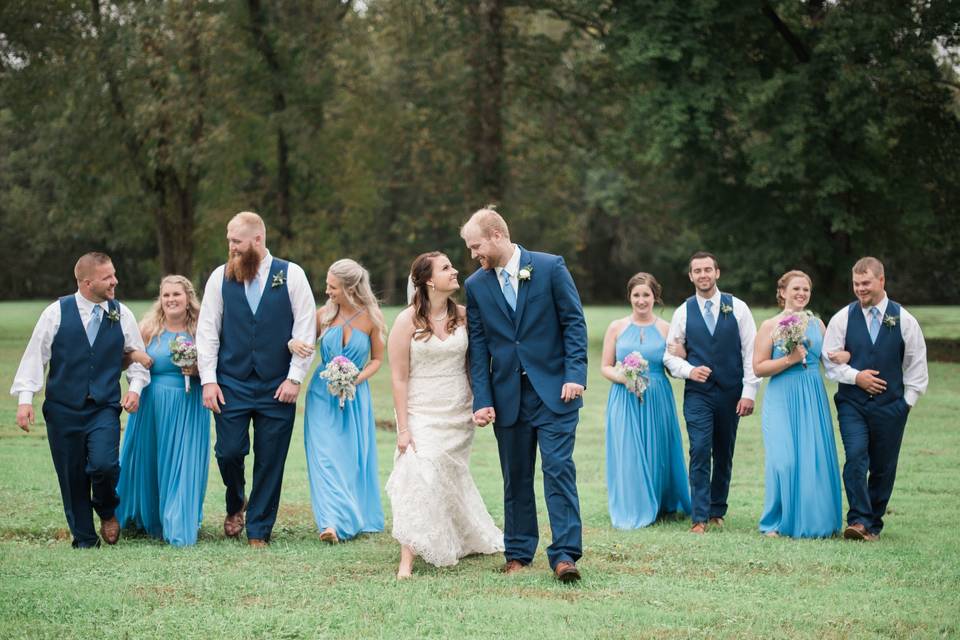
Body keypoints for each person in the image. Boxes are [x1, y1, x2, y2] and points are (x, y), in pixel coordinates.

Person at [461, 207, 588, 582]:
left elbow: (574, 323)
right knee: (515, 476)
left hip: (556, 393)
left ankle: (565, 555)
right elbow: (479, 347)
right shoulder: (476, 285)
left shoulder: (550, 267)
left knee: (558, 470)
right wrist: (482, 398)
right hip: (508, 397)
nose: (473, 255)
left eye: (476, 245)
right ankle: (518, 552)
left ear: (497, 234)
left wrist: (575, 375)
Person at [11, 252, 150, 548]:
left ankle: (107, 508)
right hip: (62, 410)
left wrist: (135, 389)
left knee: (104, 466)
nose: (115, 281)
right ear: (87, 283)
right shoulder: (55, 313)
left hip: (103, 408)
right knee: (71, 475)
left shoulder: (121, 313)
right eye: (107, 277)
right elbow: (37, 357)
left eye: (114, 274)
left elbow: (136, 356)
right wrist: (25, 400)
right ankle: (85, 539)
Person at [196, 211, 316, 547]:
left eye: (236, 241)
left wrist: (294, 378)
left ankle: (259, 530)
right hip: (231, 382)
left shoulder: (291, 275)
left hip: (278, 385)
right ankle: (236, 502)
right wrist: (209, 380)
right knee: (228, 452)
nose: (231, 247)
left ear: (257, 240)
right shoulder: (219, 277)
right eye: (229, 241)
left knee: (270, 458)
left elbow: (305, 327)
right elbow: (207, 331)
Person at [385, 252, 504, 578]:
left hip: (457, 410)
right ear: (427, 280)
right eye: (446, 268)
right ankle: (407, 559)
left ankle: (455, 533)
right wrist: (403, 428)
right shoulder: (405, 321)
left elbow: (477, 364)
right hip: (421, 410)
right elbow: (399, 377)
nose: (455, 272)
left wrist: (481, 402)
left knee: (447, 479)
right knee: (419, 473)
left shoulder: (465, 316)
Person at [823, 257, 928, 541]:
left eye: (866, 283)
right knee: (856, 456)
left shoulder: (904, 319)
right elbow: (829, 360)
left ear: (881, 281)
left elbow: (916, 366)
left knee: (883, 466)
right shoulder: (842, 318)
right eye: (856, 284)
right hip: (852, 404)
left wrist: (905, 404)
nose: (860, 289)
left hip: (891, 407)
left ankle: (874, 524)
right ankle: (858, 520)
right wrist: (856, 376)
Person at [289, 259, 386, 543]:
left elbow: (378, 359)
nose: (327, 291)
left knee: (350, 459)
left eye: (332, 286)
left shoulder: (372, 317)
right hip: (322, 397)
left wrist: (356, 379)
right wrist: (293, 343)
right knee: (325, 457)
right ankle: (331, 523)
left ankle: (352, 514)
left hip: (356, 396)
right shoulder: (323, 316)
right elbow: (300, 344)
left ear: (350, 287)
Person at [663, 251, 760, 534]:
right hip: (698, 394)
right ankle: (699, 516)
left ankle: (718, 509)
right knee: (700, 448)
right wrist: (689, 370)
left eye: (708, 269)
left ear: (717, 273)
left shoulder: (738, 308)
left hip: (731, 392)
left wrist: (749, 392)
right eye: (697, 271)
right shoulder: (683, 311)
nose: (703, 275)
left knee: (723, 450)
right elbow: (669, 356)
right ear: (691, 276)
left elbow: (750, 352)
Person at [116, 275, 211, 546]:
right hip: (151, 405)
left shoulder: (201, 330)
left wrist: (197, 370)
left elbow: (217, 365)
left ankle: (178, 524)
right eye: (166, 295)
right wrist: (135, 357)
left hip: (187, 405)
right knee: (149, 460)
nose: (171, 300)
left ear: (188, 297)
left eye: (176, 295)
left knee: (183, 462)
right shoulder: (147, 329)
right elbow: (126, 360)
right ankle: (148, 519)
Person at [752, 270, 843, 538]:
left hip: (812, 394)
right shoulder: (770, 325)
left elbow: (829, 361)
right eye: (796, 289)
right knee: (784, 460)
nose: (801, 293)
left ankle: (815, 520)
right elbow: (758, 367)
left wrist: (843, 355)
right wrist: (789, 360)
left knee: (812, 458)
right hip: (781, 394)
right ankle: (775, 520)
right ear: (782, 293)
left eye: (806, 289)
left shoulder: (818, 324)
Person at [600, 272, 691, 529]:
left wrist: (681, 353)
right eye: (636, 295)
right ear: (630, 297)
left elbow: (675, 367)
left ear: (655, 297)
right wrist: (622, 378)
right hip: (624, 397)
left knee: (658, 449)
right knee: (628, 450)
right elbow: (605, 366)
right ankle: (633, 506)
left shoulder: (666, 328)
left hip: (657, 395)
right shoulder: (616, 327)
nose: (641, 300)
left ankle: (662, 502)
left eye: (646, 295)